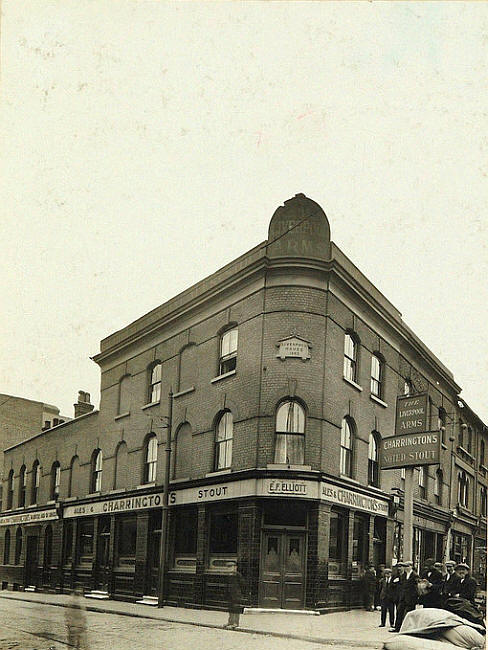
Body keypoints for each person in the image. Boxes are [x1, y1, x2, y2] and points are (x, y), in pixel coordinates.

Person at [391, 560, 418, 632]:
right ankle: (397, 628)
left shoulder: (414, 575)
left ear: (411, 566)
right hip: (403, 597)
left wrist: (414, 597)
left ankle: (409, 628)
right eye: (405, 566)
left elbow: (416, 588)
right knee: (399, 611)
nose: (406, 568)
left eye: (407, 566)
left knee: (409, 613)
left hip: (410, 598)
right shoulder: (404, 575)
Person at [225, 562, 245, 629]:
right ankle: (230, 622)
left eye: (231, 567)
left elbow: (242, 584)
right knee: (230, 608)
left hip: (236, 594)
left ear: (235, 567)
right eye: (228, 567)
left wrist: (239, 593)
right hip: (230, 594)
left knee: (236, 608)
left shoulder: (237, 575)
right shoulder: (228, 575)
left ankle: (236, 623)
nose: (229, 569)